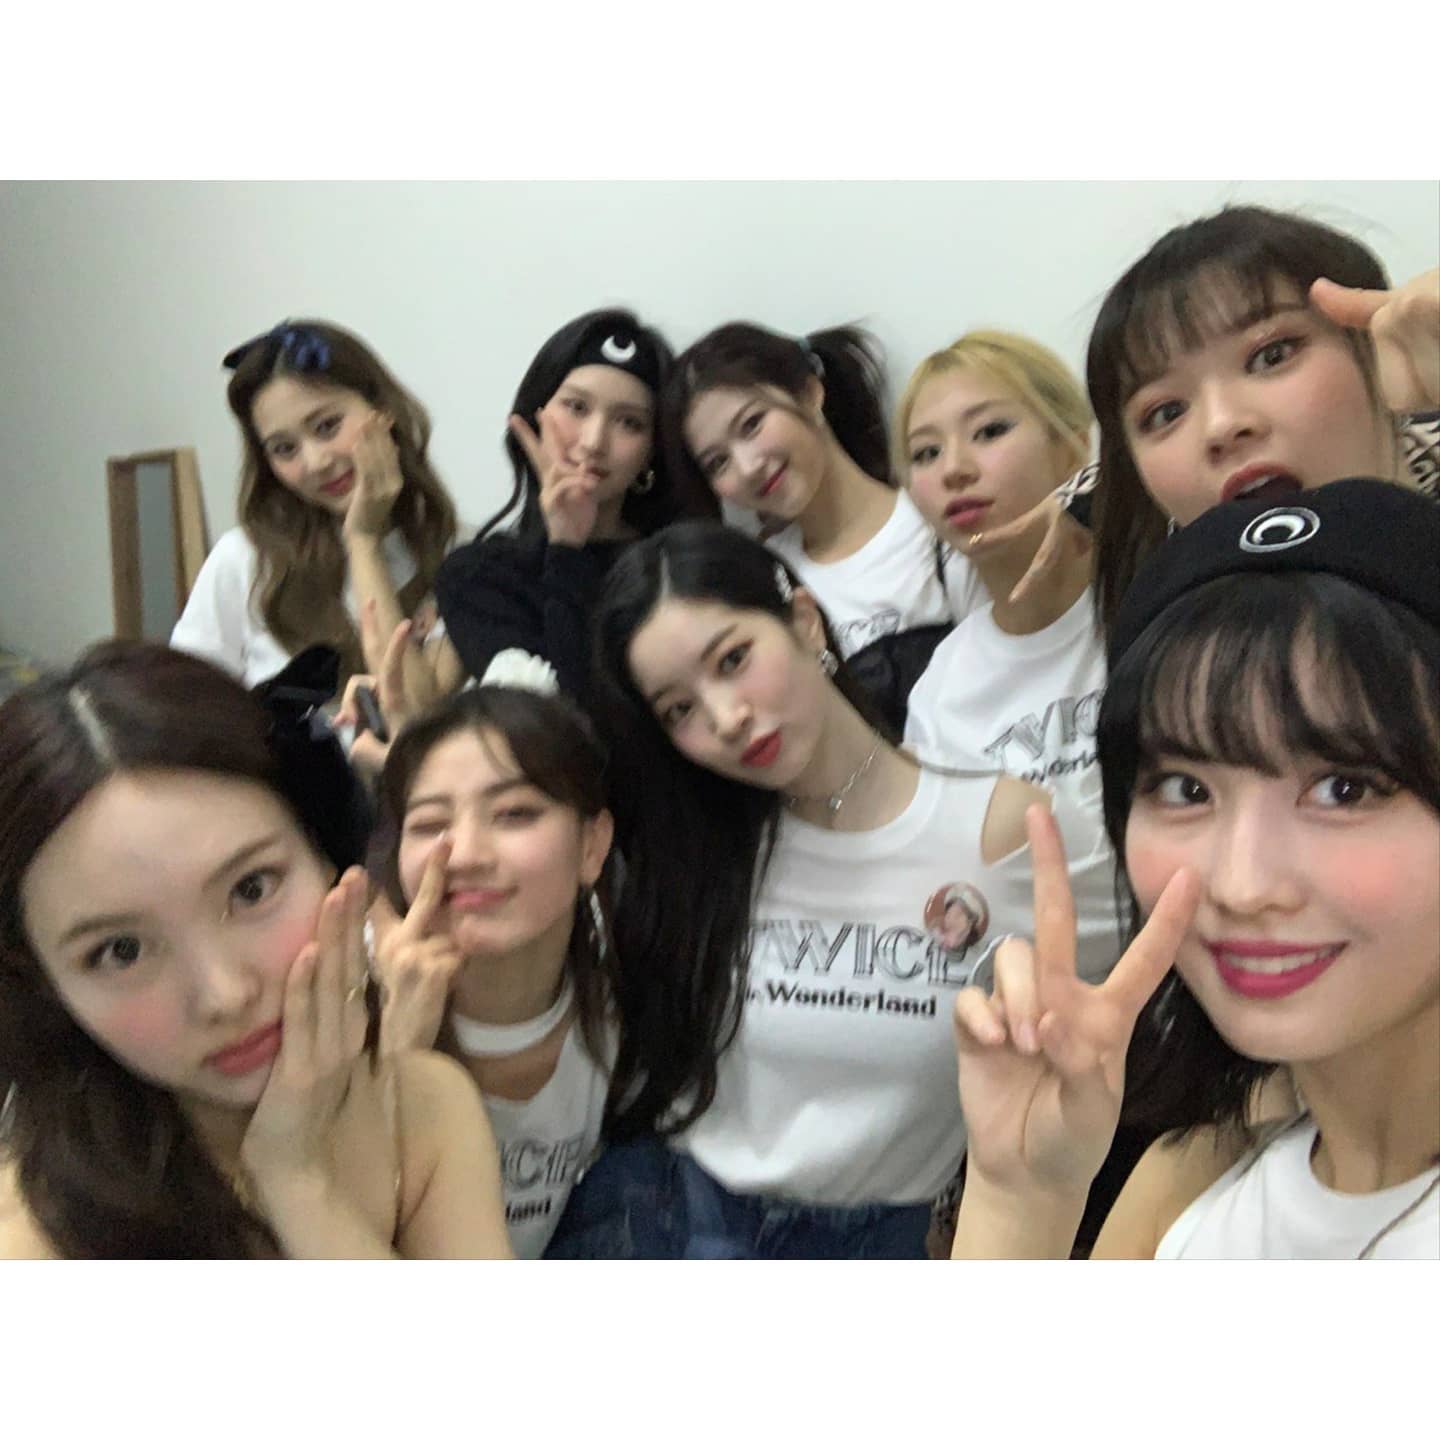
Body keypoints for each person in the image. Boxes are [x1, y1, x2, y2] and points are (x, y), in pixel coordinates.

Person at [543, 521, 1120, 1260]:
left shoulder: (1009, 830)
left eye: (733, 659)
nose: (726, 717)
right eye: (679, 709)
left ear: (804, 620)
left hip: (879, 1237)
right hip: (661, 1218)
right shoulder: (698, 856)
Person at [949, 479, 1440, 1259]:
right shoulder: (1187, 1186)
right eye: (1185, 789)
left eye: (1343, 789)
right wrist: (1019, 1198)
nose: (1242, 887)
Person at [0, 642, 511, 1259]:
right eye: (122, 951)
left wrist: (297, 1176)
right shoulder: (32, 1239)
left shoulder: (424, 1109)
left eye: (251, 889)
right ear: (44, 982)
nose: (225, 994)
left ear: (327, 858)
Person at [1084, 204, 1440, 627]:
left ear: (1376, 344)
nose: (1221, 426)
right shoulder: (1161, 630)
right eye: (1166, 412)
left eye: (1272, 356)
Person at [368, 667, 617, 1258]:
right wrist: (399, 1051)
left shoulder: (624, 1012)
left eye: (514, 814)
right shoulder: (341, 1010)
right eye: (430, 824)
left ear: (591, 846)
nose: (465, 855)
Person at [659, 321, 980, 732]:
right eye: (718, 462)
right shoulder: (763, 580)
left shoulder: (937, 521)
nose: (748, 466)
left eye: (752, 424)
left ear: (810, 392)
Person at [171, 320, 461, 699]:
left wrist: (363, 540)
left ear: (383, 410)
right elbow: (181, 709)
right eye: (284, 449)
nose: (316, 462)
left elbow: (414, 712)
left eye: (327, 426)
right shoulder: (245, 559)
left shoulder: (458, 553)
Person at [434, 309, 695, 705]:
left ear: (652, 452)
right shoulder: (478, 573)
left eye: (629, 423)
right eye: (576, 407)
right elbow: (555, 716)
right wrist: (566, 548)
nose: (593, 442)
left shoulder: (679, 561)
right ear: (535, 416)